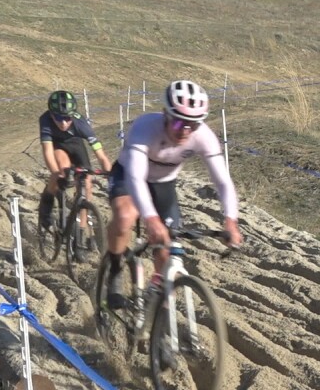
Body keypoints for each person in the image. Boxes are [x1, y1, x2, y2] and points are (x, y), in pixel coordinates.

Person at [104, 80, 242, 307]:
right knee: (125, 217)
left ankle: (159, 307)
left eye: (193, 125)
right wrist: (150, 218)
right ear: (165, 115)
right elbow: (136, 178)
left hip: (163, 183)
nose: (185, 131)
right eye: (179, 124)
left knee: (168, 249)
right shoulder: (145, 127)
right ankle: (115, 271)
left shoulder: (204, 137)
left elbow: (223, 182)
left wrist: (230, 221)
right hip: (128, 175)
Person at [38, 90, 113, 233]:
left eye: (67, 118)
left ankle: (81, 229)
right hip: (58, 145)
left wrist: (110, 174)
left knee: (87, 184)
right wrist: (57, 174)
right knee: (62, 169)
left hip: (76, 145)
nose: (63, 123)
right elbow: (47, 151)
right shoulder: (45, 120)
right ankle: (46, 207)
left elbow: (101, 155)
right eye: (58, 118)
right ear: (51, 114)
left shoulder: (81, 123)